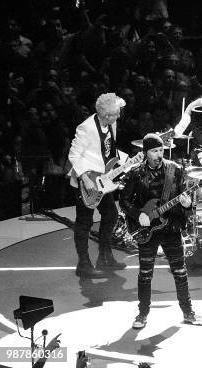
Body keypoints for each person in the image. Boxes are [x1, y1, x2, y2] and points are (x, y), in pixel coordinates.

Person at [119, 133, 202, 328]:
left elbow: (185, 198)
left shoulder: (176, 170)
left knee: (180, 271)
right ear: (145, 152)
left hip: (171, 226)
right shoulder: (135, 173)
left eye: (161, 150)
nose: (159, 154)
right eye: (154, 151)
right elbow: (124, 201)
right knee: (145, 273)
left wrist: (187, 203)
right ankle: (142, 314)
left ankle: (188, 311)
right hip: (146, 229)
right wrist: (137, 214)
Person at [68, 92, 127, 278]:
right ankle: (83, 264)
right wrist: (85, 178)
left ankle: (105, 256)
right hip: (86, 181)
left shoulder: (112, 123)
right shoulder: (86, 128)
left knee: (111, 214)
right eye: (116, 113)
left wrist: (127, 161)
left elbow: (108, 151)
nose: (119, 116)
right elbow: (73, 155)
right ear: (106, 115)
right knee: (84, 222)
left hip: (103, 179)